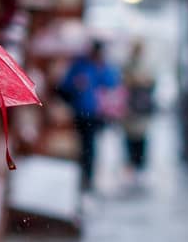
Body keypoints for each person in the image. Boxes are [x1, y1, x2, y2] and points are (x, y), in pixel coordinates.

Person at [57, 40, 120, 191]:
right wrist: (75, 84)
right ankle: (83, 174)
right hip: (80, 111)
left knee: (90, 145)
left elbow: (112, 83)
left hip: (96, 113)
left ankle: (88, 176)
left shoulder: (103, 67)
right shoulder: (80, 65)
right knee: (83, 144)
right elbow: (65, 84)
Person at [121, 40, 157, 176]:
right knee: (130, 137)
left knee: (141, 137)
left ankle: (140, 165)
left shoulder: (147, 65)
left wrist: (143, 81)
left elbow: (152, 82)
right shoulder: (127, 65)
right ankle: (132, 163)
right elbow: (123, 82)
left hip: (142, 107)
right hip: (131, 107)